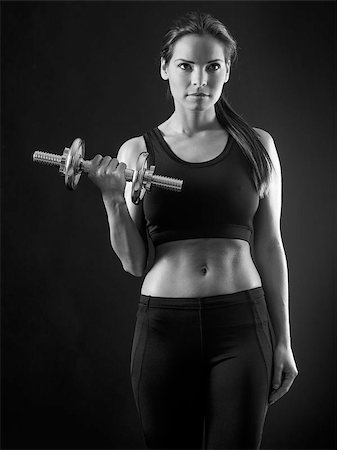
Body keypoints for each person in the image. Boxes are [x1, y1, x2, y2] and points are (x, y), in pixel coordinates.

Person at [88, 10, 298, 450]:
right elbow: (134, 263)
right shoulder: (138, 152)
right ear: (165, 69)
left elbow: (270, 244)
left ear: (227, 72)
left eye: (212, 67)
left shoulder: (258, 146)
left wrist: (284, 341)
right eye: (185, 66)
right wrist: (111, 197)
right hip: (164, 330)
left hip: (242, 326)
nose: (199, 79)